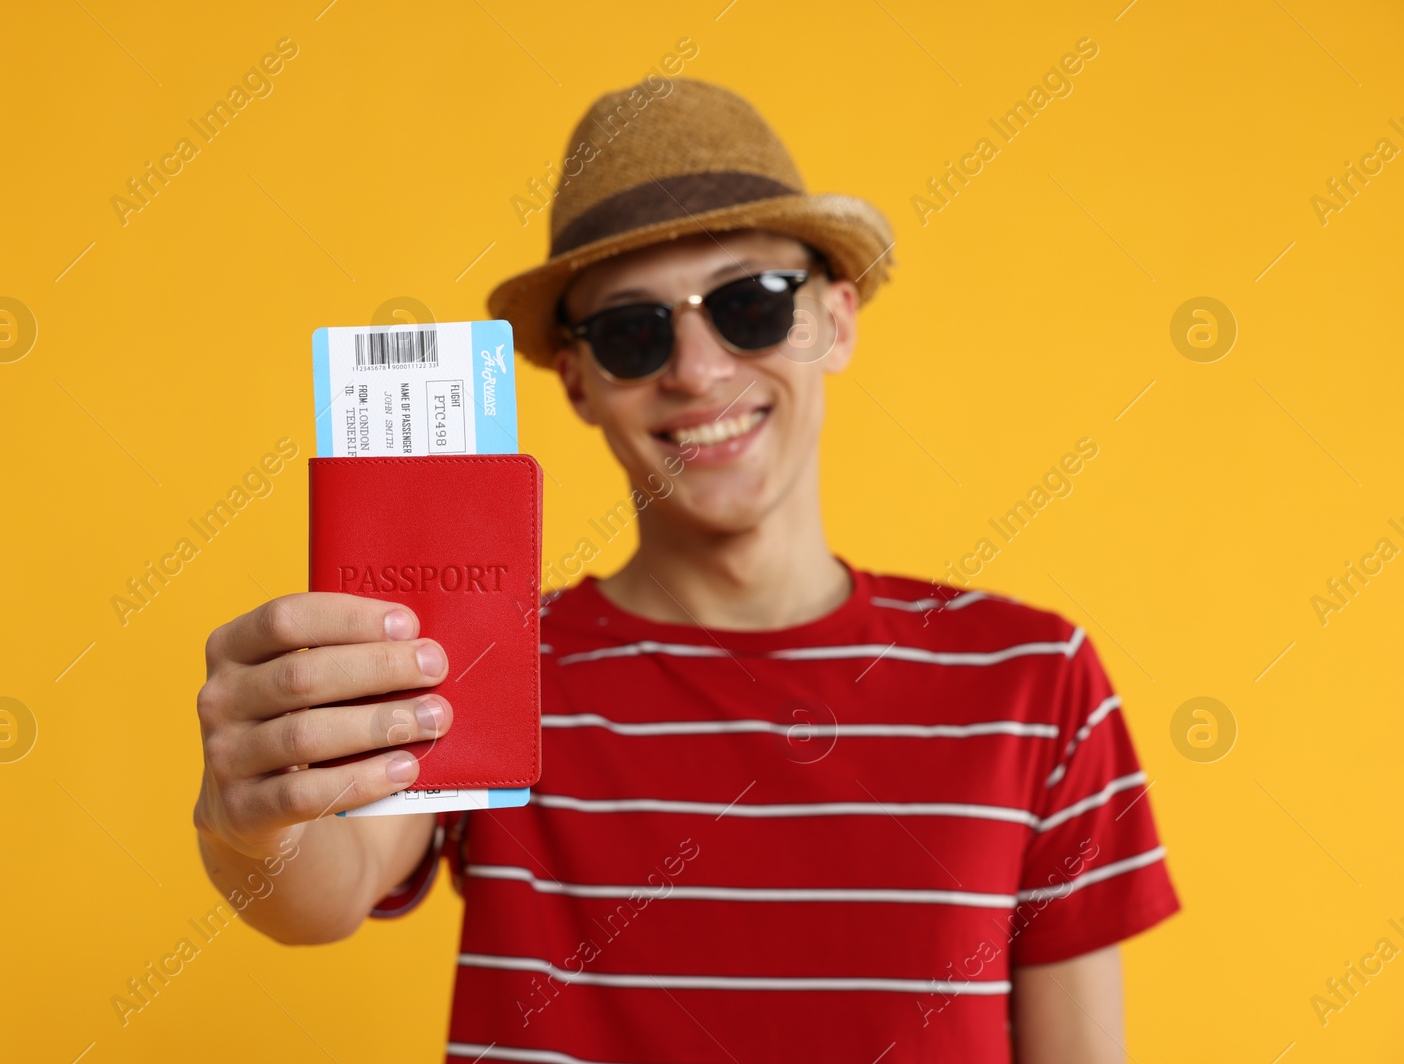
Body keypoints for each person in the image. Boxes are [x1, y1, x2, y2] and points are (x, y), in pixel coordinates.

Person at [192, 79, 1180, 1063]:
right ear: (577, 378)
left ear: (834, 322)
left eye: (751, 305)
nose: (698, 369)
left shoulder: (1035, 678)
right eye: (634, 331)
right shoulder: (487, 658)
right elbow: (328, 884)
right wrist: (248, 820)